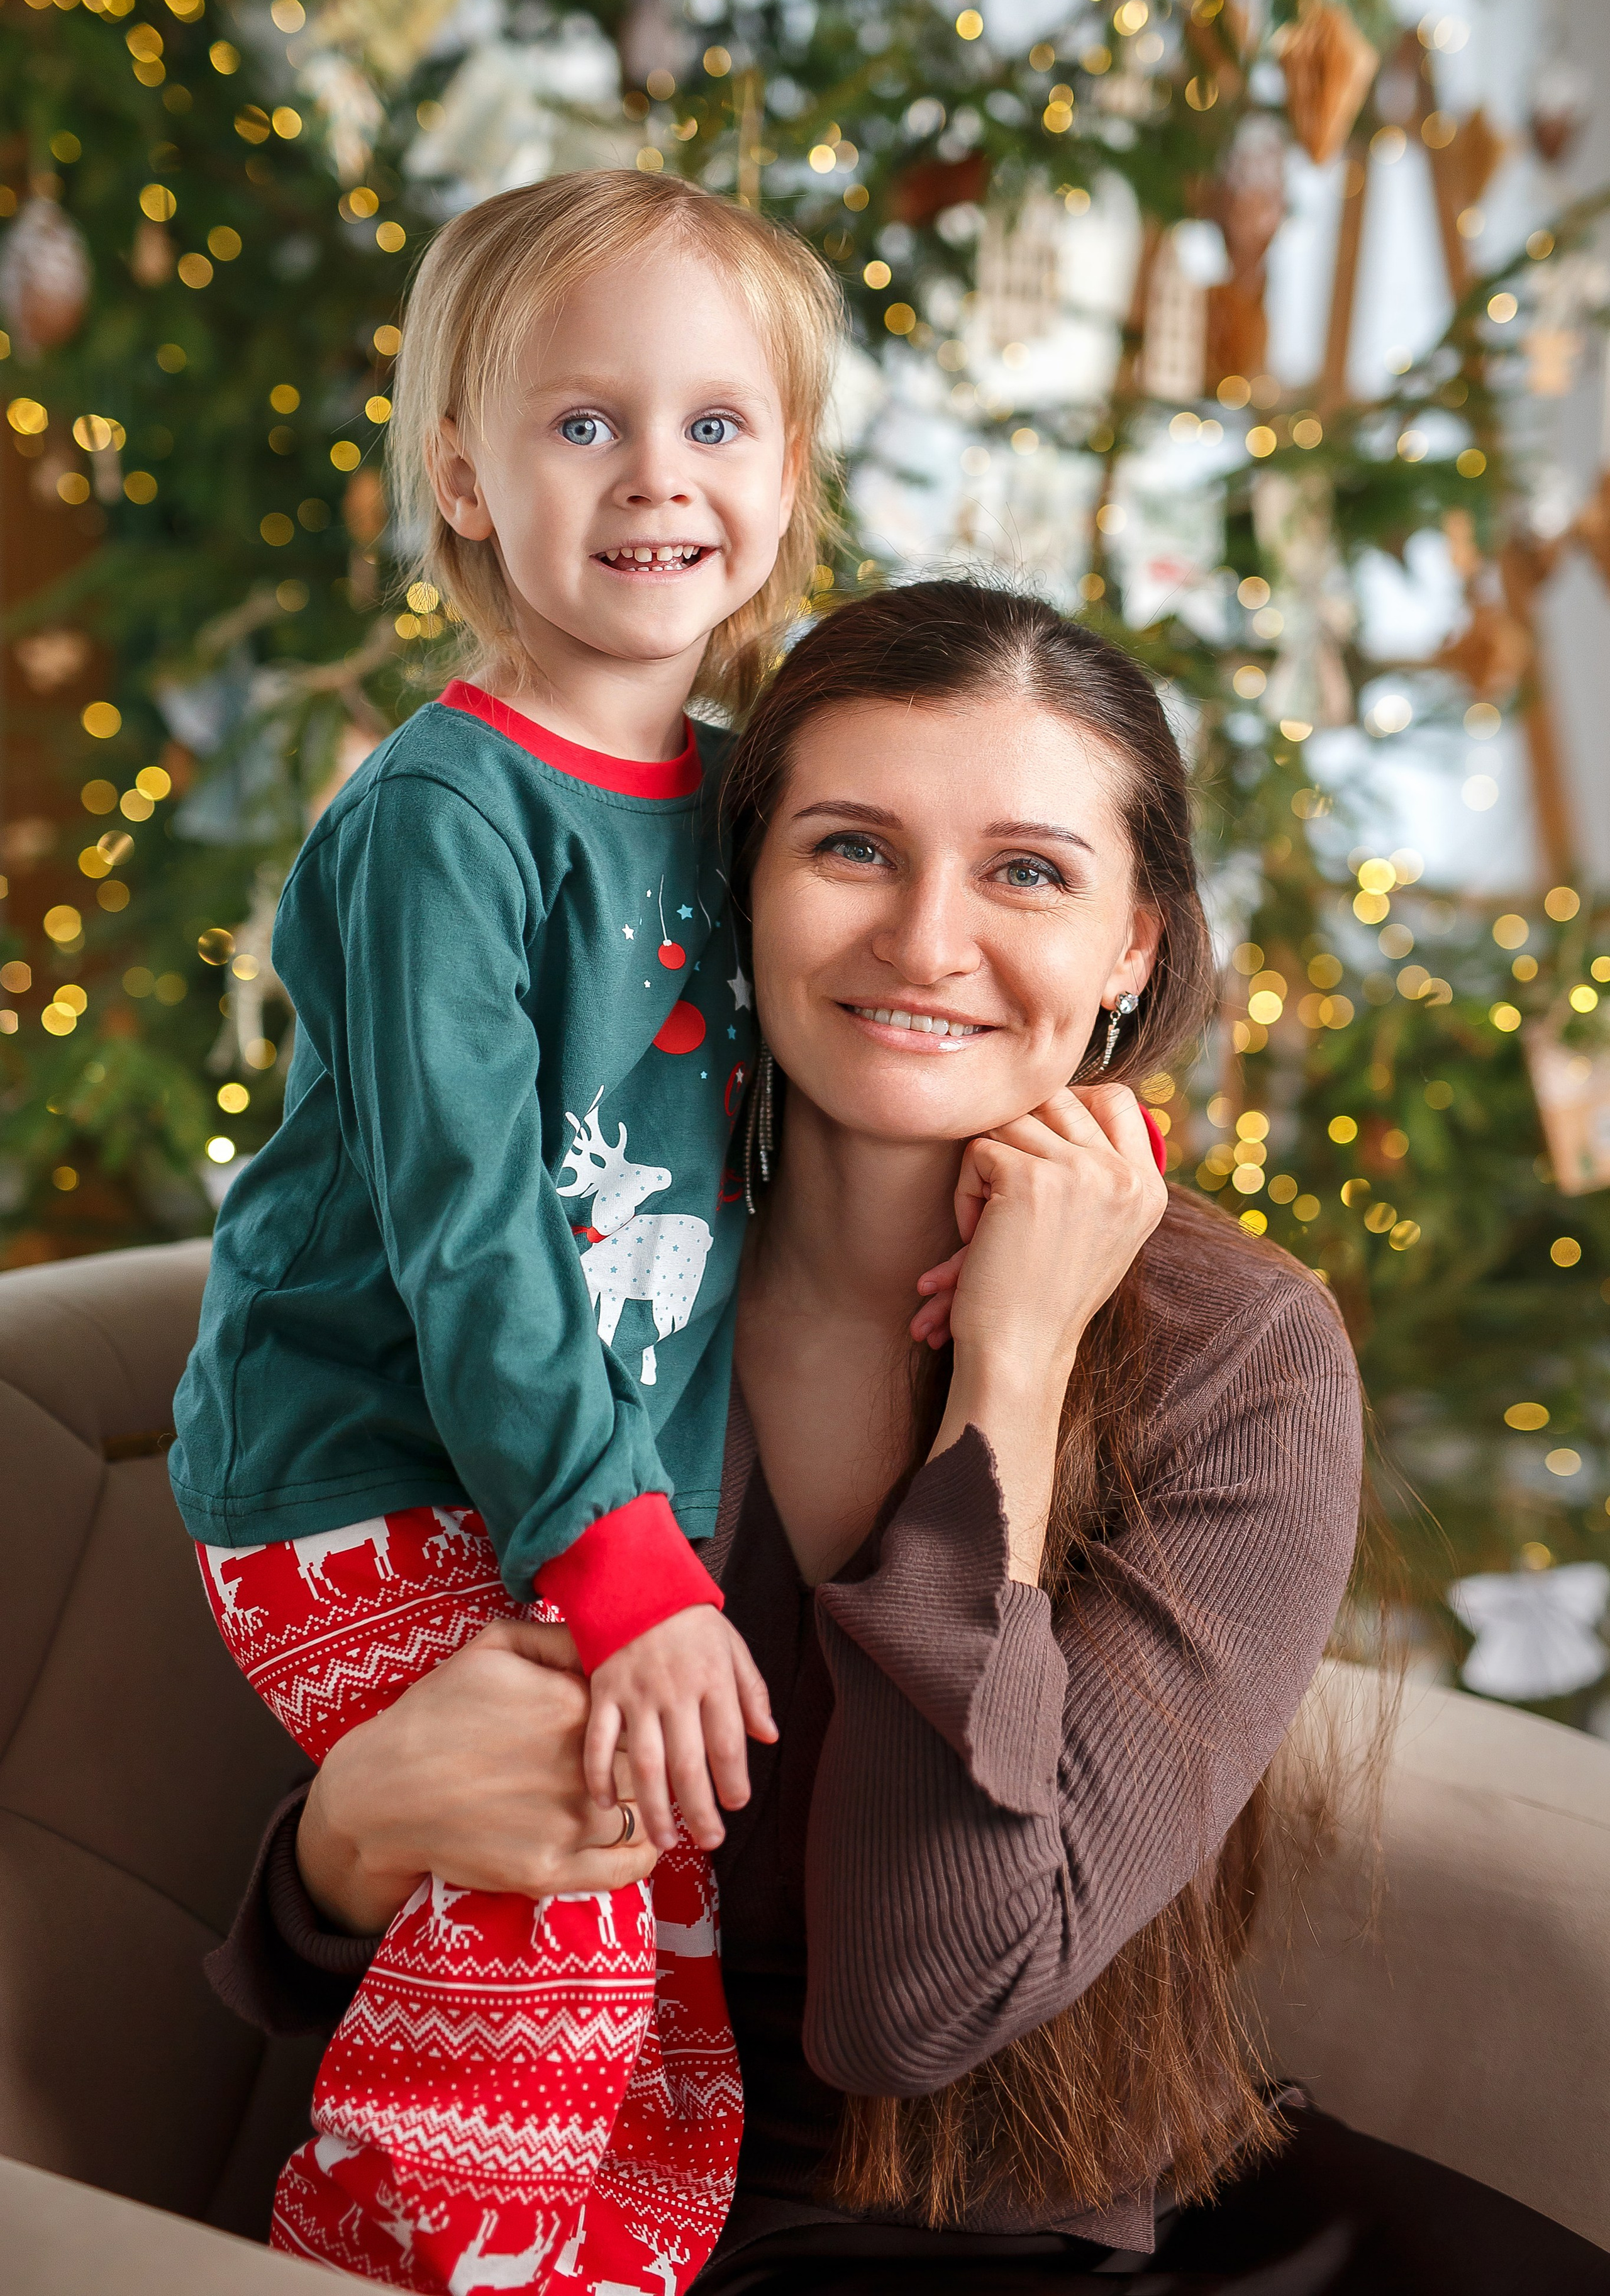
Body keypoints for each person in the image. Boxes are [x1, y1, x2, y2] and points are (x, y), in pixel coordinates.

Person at [211, 583, 1610, 2289]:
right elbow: (301, 1951)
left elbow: (927, 2002)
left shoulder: (1240, 1359)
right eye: (854, 849)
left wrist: (1010, 1372)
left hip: (1060, 2209)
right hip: (635, 2221)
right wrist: (353, 1832)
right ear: (741, 883)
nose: (928, 941)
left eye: (1029, 872)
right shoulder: (560, 1281)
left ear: (1135, 945)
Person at [170, 169, 845, 2293]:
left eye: (716, 423)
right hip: (364, 1478)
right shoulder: (441, 821)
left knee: (661, 1967)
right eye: (584, 423)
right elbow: (472, 1234)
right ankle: (380, 2259)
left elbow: (850, 1054)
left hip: (584, 1494)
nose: (659, 475)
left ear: (788, 473)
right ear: (465, 476)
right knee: (559, 1867)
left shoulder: (748, 799)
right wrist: (627, 1562)